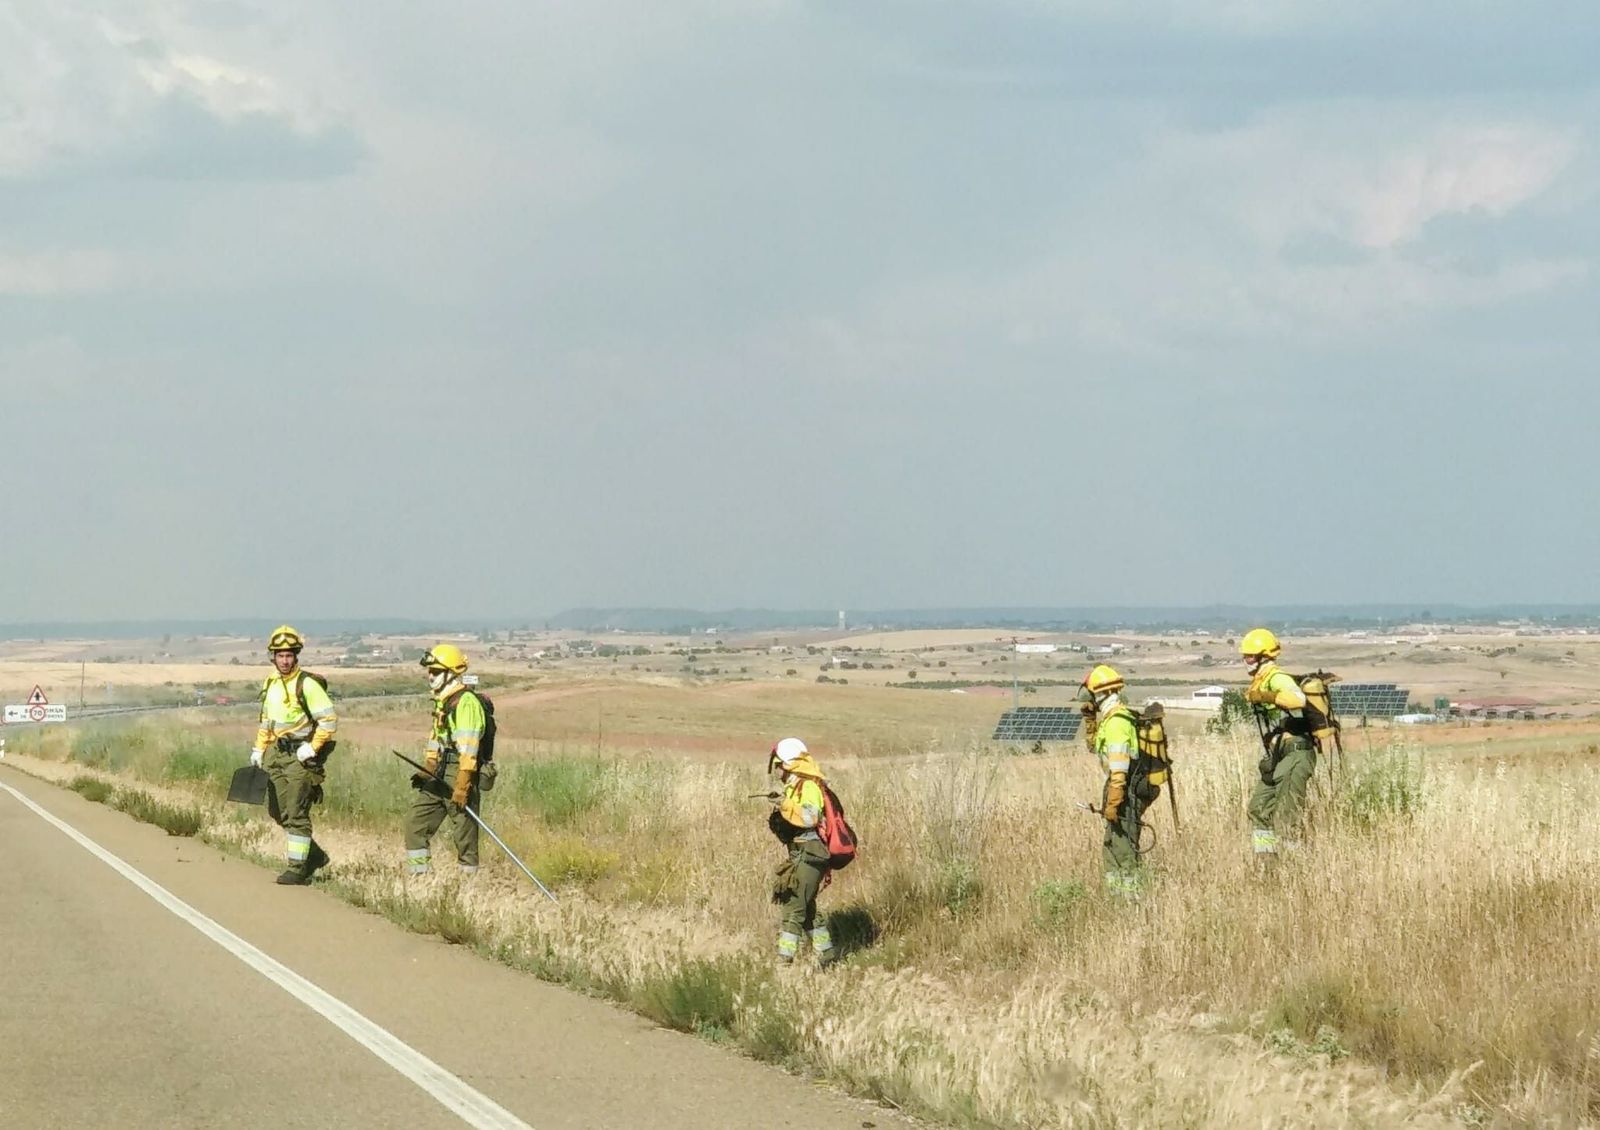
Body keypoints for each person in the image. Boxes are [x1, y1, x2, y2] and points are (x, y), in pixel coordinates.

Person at [248, 625, 337, 885]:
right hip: (276, 753)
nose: (284, 660)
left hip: (301, 756)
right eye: (280, 655)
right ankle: (316, 856)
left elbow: (329, 721)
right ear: (272, 657)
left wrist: (311, 747)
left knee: (296, 813)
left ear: (296, 656)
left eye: (289, 655)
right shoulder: (271, 682)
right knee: (278, 811)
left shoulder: (307, 684)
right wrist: (259, 748)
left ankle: (297, 869)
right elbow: (267, 720)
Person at [405, 644, 487, 876]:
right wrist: (428, 767)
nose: (431, 676)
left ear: (452, 673)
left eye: (436, 672)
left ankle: (469, 889)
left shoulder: (466, 702)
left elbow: (469, 747)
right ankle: (421, 880)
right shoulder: (442, 701)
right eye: (429, 671)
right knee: (415, 824)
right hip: (439, 771)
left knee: (464, 835)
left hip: (460, 770)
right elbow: (436, 740)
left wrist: (463, 784)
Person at [1241, 628, 1315, 858]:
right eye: (1245, 655)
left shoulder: (1276, 677)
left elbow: (1298, 699)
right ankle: (1267, 864)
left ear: (1264, 656)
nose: (1246, 660)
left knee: (1288, 816)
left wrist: (1268, 696)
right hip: (1279, 755)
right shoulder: (1261, 680)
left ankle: (1294, 867)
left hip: (1296, 752)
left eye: (1250, 656)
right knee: (1258, 809)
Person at [1078, 664, 1148, 897]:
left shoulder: (1118, 721)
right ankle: (1116, 899)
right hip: (1117, 788)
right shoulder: (1109, 719)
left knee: (1124, 848)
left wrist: (1114, 801)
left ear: (1102, 693)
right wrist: (1090, 720)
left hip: (1124, 790)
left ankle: (1132, 901)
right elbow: (1094, 747)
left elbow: (1119, 767)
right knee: (1111, 846)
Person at [767, 738, 837, 967]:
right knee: (807, 910)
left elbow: (810, 817)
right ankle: (827, 956)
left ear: (788, 764)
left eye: (779, 764)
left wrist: (785, 806)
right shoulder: (795, 786)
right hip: (800, 852)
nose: (777, 769)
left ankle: (784, 962)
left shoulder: (808, 786)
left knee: (794, 907)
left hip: (810, 852)